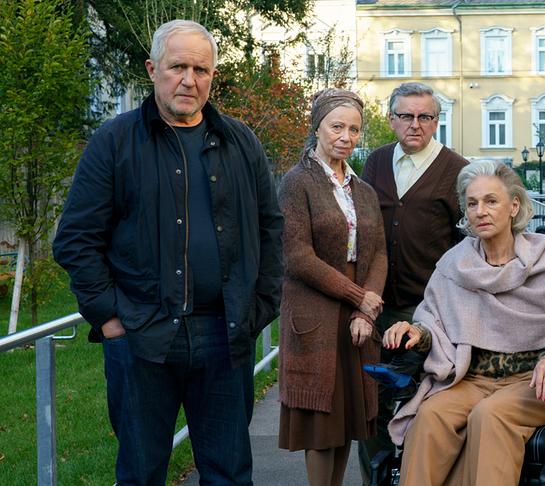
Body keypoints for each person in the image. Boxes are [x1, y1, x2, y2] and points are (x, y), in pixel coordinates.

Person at [52, 20, 282, 484]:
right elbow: (76, 239)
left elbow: (271, 229)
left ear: (213, 75)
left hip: (225, 334)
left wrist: (260, 306)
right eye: (178, 66)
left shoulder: (241, 142)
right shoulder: (114, 142)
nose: (189, 79)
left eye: (201, 69)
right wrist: (109, 318)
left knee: (230, 474)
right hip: (141, 336)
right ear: (153, 69)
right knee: (140, 473)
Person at [382, 161, 545, 485]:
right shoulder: (455, 263)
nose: (480, 211)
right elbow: (435, 325)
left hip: (532, 383)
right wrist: (414, 332)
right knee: (431, 416)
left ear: (514, 206)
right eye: (472, 203)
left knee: (490, 416)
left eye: (491, 201)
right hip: (471, 380)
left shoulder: (543, 258)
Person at [278, 88, 388, 486]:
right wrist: (361, 298)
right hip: (316, 317)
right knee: (321, 428)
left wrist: (364, 312)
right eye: (337, 126)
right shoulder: (297, 183)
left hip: (355, 320)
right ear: (318, 127)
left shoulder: (364, 191)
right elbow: (298, 258)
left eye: (354, 129)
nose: (346, 136)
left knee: (347, 421)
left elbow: (377, 255)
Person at [358, 81, 468, 481]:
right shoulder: (376, 161)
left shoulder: (457, 169)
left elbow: (468, 242)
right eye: (406, 115)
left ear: (437, 122)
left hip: (428, 312)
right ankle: (378, 477)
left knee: (421, 404)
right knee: (371, 403)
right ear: (391, 120)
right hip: (374, 307)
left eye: (425, 117)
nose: (415, 124)